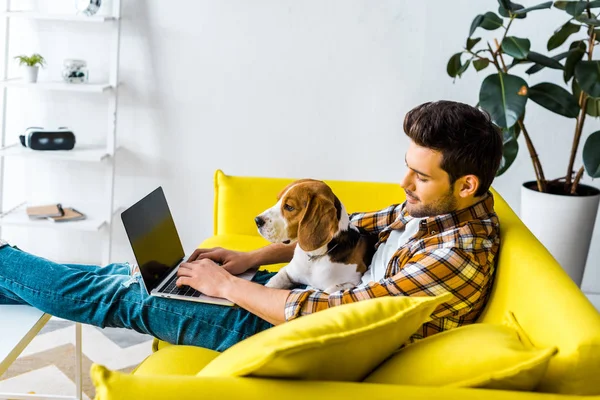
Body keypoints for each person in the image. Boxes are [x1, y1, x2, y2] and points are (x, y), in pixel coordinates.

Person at [0, 101, 502, 352]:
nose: (404, 182)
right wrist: (250, 260)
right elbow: (341, 234)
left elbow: (337, 314)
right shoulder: (429, 215)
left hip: (294, 335)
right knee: (129, 271)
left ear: (465, 184)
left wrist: (227, 287)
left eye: (420, 174)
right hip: (289, 304)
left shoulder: (455, 255)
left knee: (122, 298)